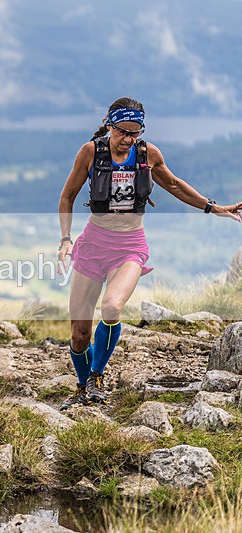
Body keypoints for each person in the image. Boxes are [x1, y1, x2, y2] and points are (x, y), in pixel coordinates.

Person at [57, 97, 242, 410]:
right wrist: (65, 239)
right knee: (79, 333)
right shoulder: (90, 153)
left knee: (113, 306)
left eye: (136, 132)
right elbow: (67, 197)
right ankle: (81, 385)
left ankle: (97, 377)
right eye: (123, 131)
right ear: (109, 126)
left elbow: (173, 184)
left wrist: (213, 207)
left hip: (130, 247)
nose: (129, 138)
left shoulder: (147, 153)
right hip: (92, 245)